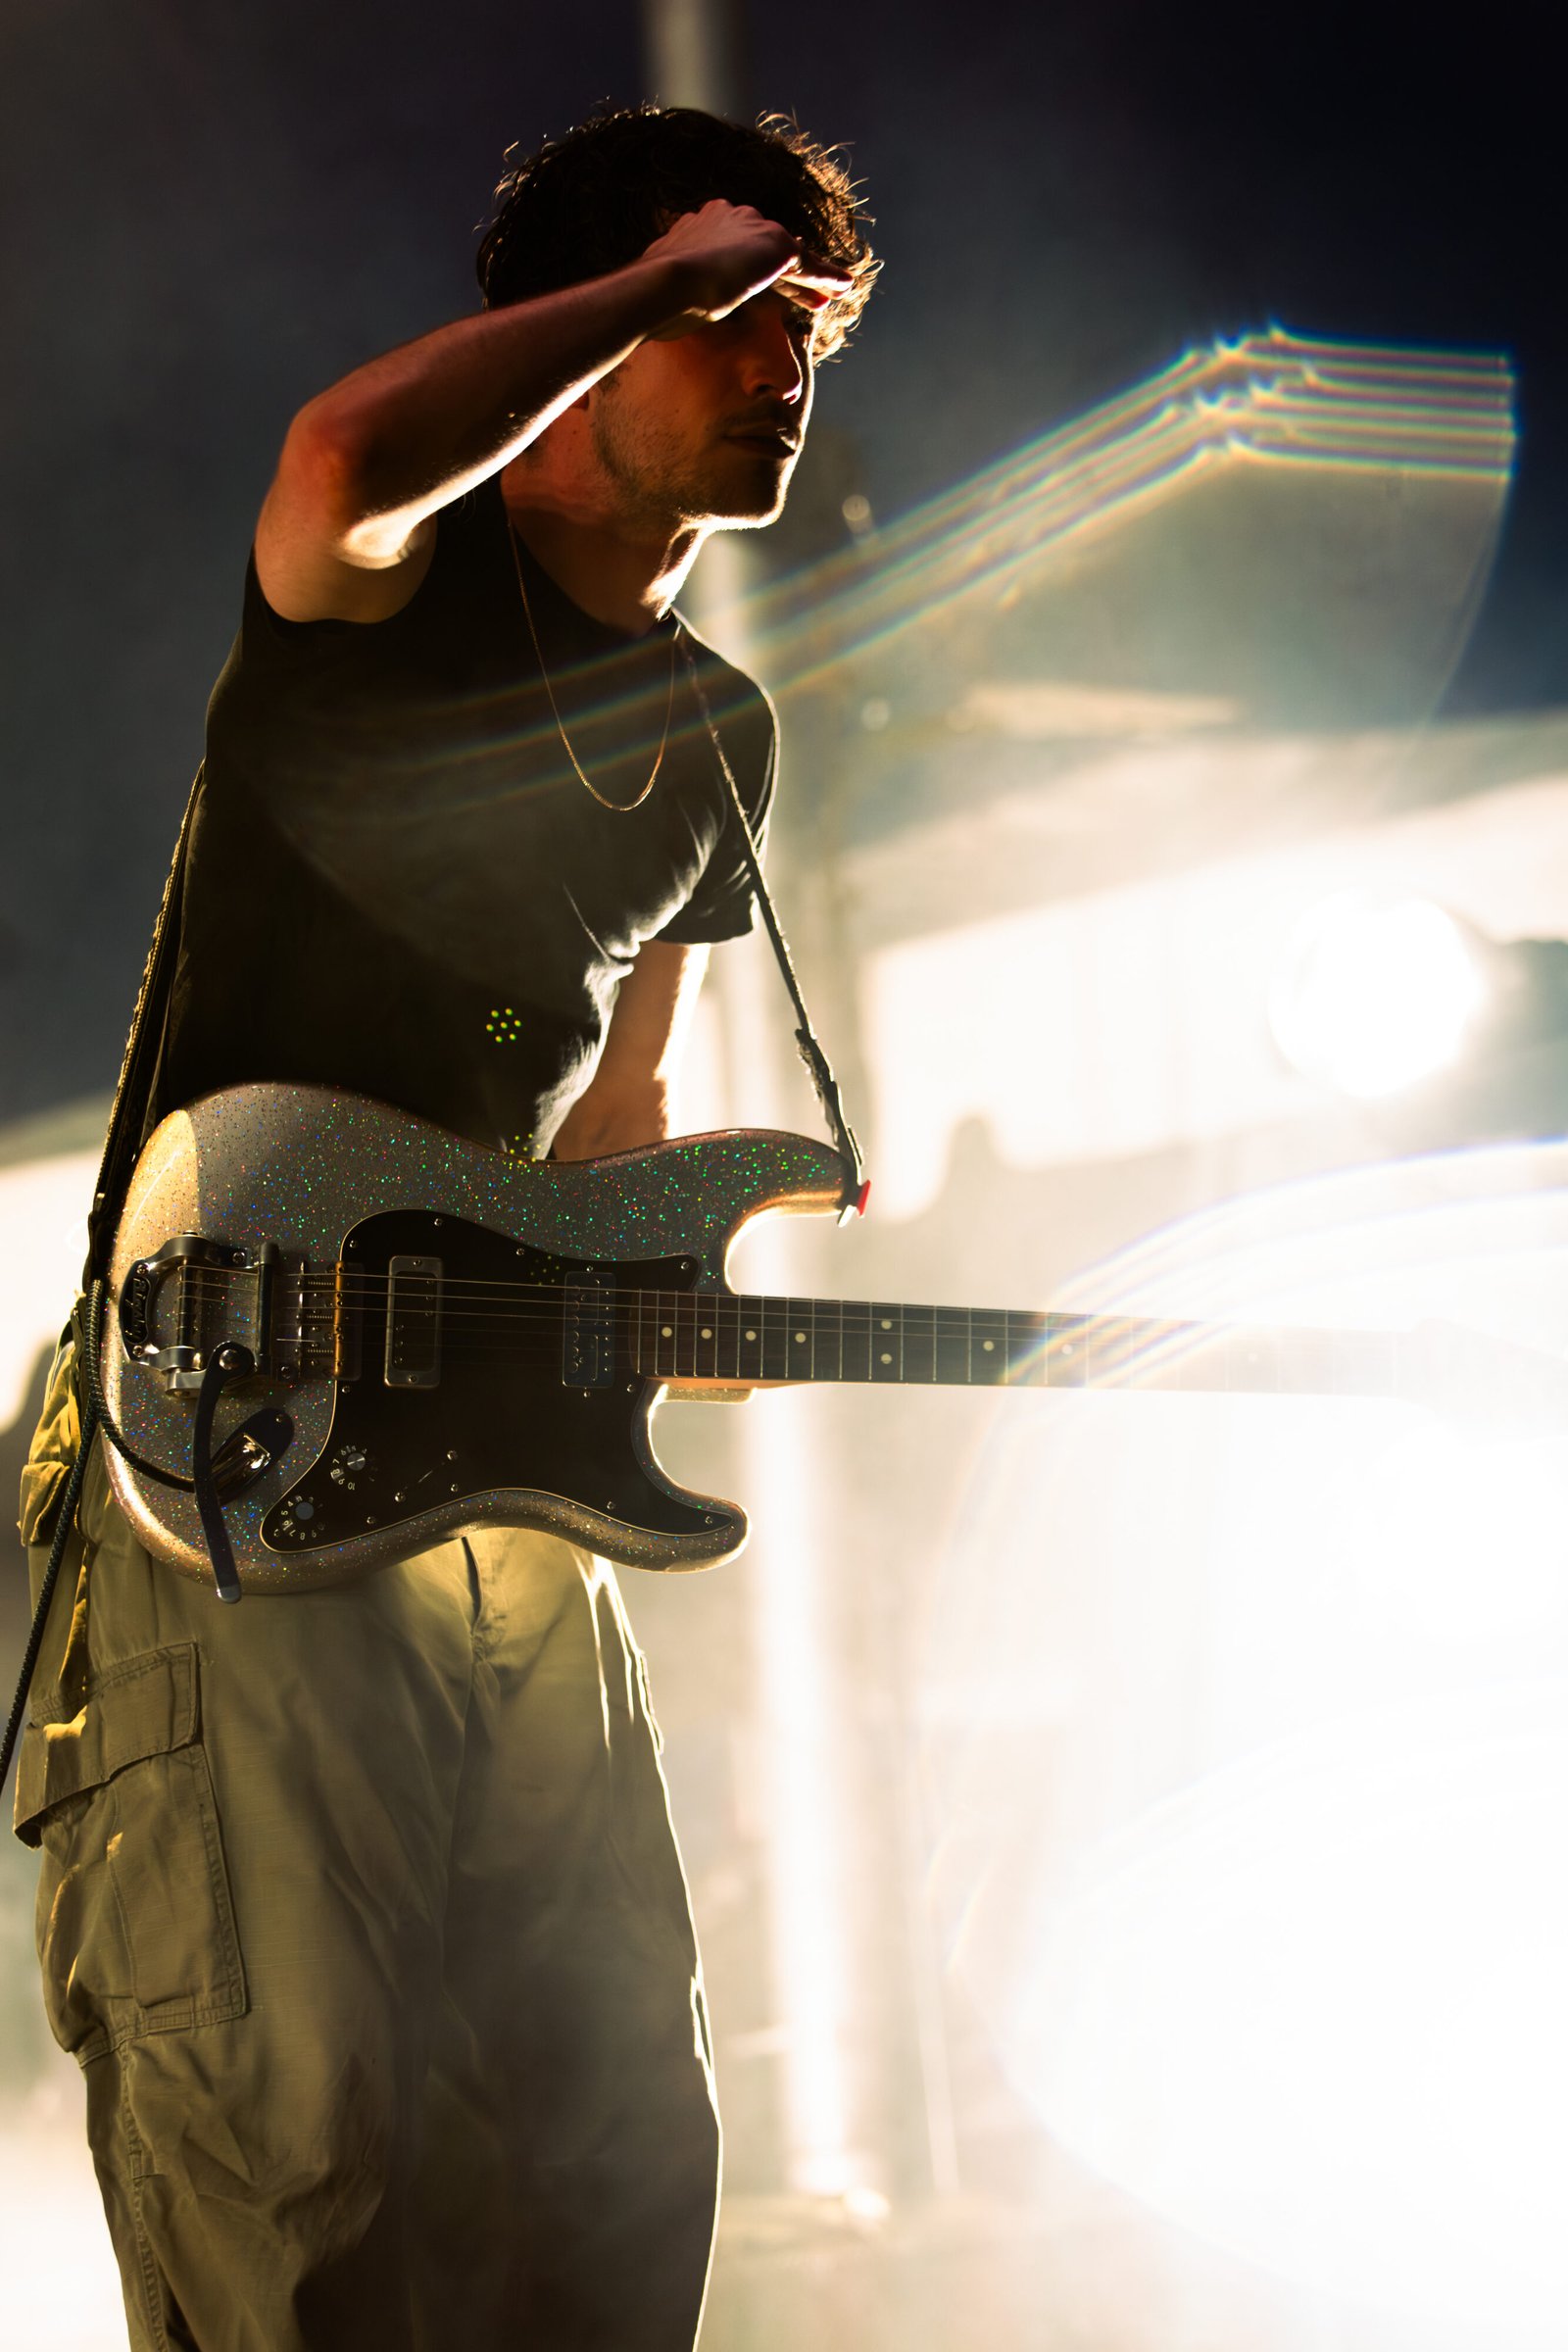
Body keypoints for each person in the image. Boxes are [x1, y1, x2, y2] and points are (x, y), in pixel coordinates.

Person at [14, 104, 876, 2352]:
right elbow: (333, 455)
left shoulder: (713, 735)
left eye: (807, 332)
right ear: (594, 328)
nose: (782, 368)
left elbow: (614, 1128)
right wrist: (648, 282)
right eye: (739, 317)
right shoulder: (392, 589)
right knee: (302, 2128)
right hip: (227, 1425)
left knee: (605, 2137)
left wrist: (660, 1296)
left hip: (484, 1480)